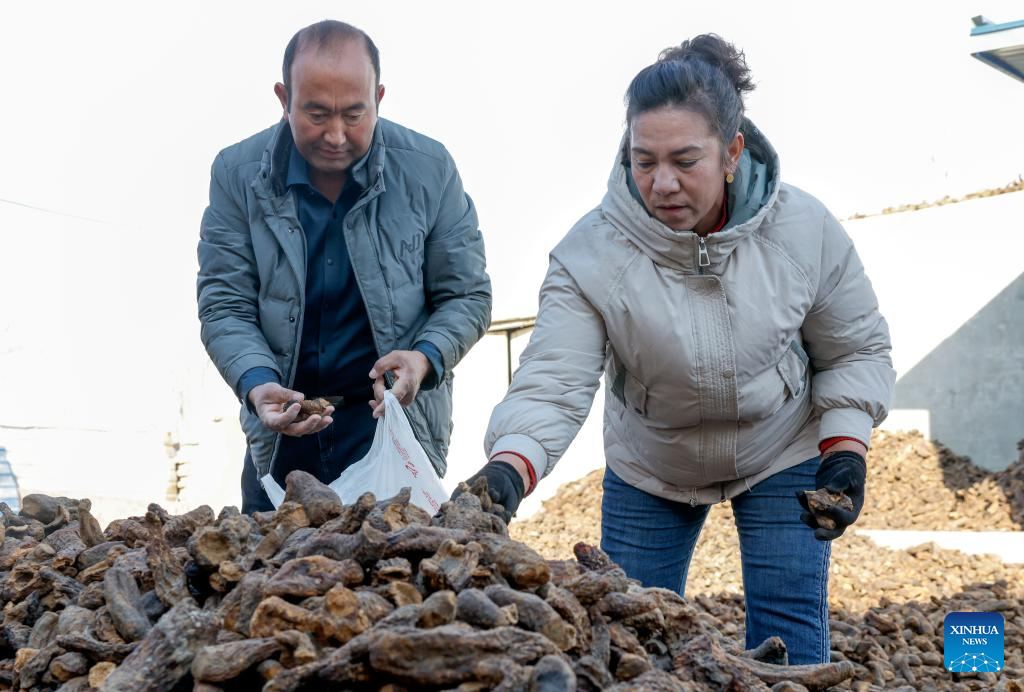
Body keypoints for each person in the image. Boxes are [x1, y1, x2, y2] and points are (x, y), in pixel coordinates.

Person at [461, 35, 894, 664]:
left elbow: (854, 349)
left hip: (781, 450)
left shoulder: (805, 232)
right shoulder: (592, 255)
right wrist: (508, 467)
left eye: (685, 160)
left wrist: (848, 450)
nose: (662, 183)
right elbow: (554, 380)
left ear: (732, 152)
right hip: (652, 465)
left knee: (791, 639)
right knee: (635, 643)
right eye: (644, 161)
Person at [198, 20, 491, 514]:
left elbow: (467, 297)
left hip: (390, 431)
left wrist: (423, 358)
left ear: (378, 97)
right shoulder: (236, 174)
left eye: (355, 115)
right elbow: (224, 304)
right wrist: (255, 381)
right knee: (265, 583)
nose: (336, 135)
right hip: (281, 432)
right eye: (315, 114)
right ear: (283, 98)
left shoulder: (429, 169)